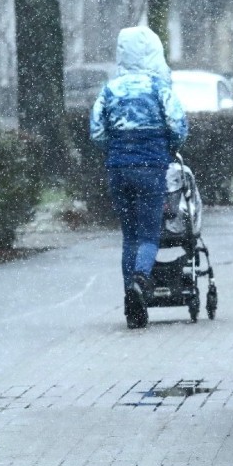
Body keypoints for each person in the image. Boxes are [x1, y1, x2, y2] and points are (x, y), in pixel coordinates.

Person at [89, 26, 188, 329]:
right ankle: (142, 281)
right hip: (151, 168)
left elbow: (96, 131)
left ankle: (131, 306)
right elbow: (178, 126)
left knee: (129, 237)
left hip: (118, 169)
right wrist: (167, 146)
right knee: (148, 235)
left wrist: (117, 148)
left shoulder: (110, 89)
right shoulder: (159, 88)